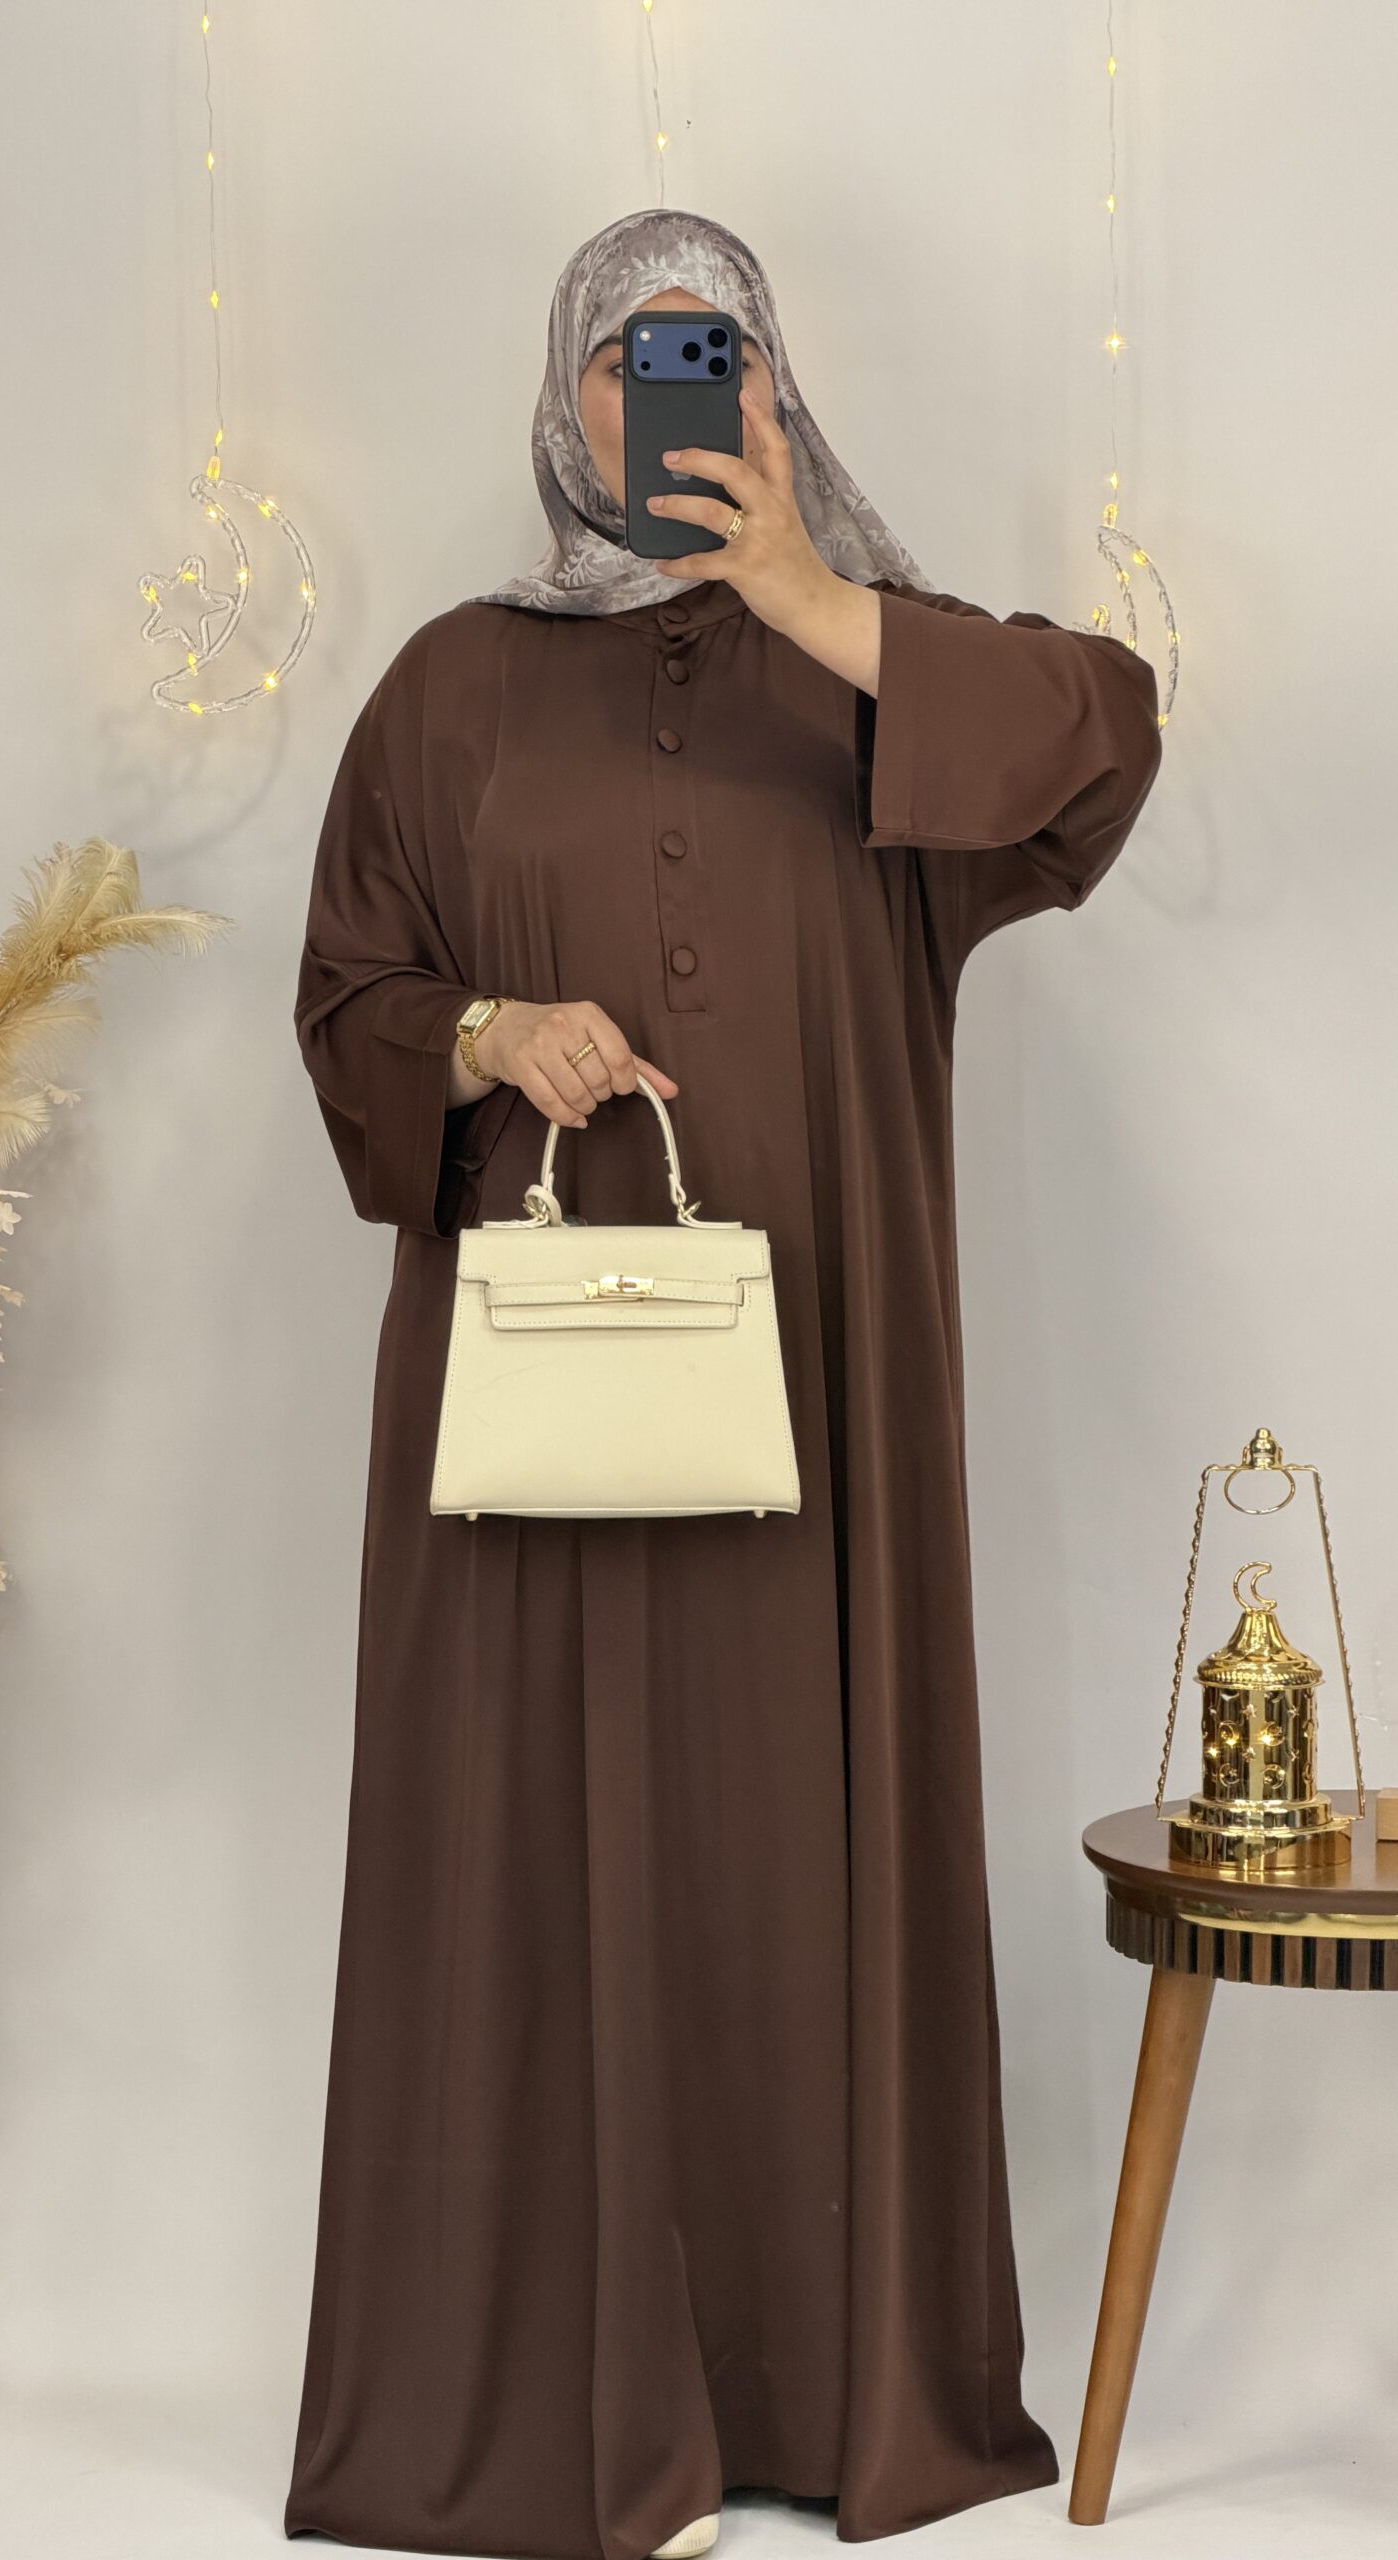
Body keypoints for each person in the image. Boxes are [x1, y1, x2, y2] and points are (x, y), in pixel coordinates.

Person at [283, 206, 1163, 2560]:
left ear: (775, 393)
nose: (674, 393)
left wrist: (808, 595)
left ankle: (814, 2386)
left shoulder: (877, 672)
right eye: (630, 357)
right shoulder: (451, 688)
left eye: (720, 353)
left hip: (822, 1411)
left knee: (799, 1841)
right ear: (564, 398)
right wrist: (488, 1031)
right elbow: (351, 999)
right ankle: (547, 2401)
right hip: (540, 1404)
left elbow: (1104, 743)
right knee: (541, 1851)